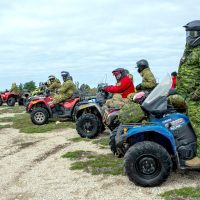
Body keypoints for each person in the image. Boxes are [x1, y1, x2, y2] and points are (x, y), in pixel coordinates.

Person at [176, 20, 200, 167]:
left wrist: (197, 94)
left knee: (198, 125)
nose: (188, 37)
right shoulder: (189, 49)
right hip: (185, 96)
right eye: (187, 34)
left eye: (191, 33)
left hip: (196, 98)